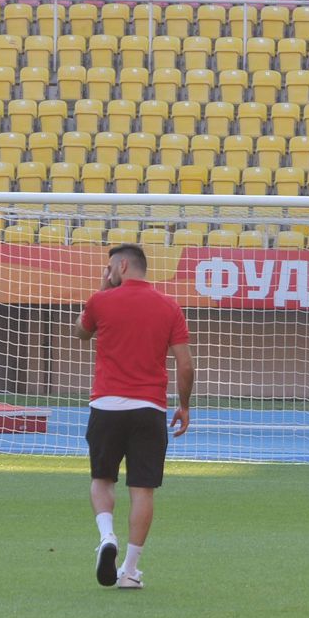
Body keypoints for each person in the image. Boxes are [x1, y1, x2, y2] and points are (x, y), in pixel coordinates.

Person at [75, 243, 194, 590]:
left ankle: (107, 534)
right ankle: (128, 569)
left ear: (122, 266)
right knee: (143, 490)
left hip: (106, 406)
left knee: (102, 479)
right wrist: (184, 406)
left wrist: (101, 291)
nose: (108, 272)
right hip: (149, 408)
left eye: (110, 267)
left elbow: (80, 333)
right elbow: (185, 364)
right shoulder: (169, 306)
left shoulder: (102, 301)